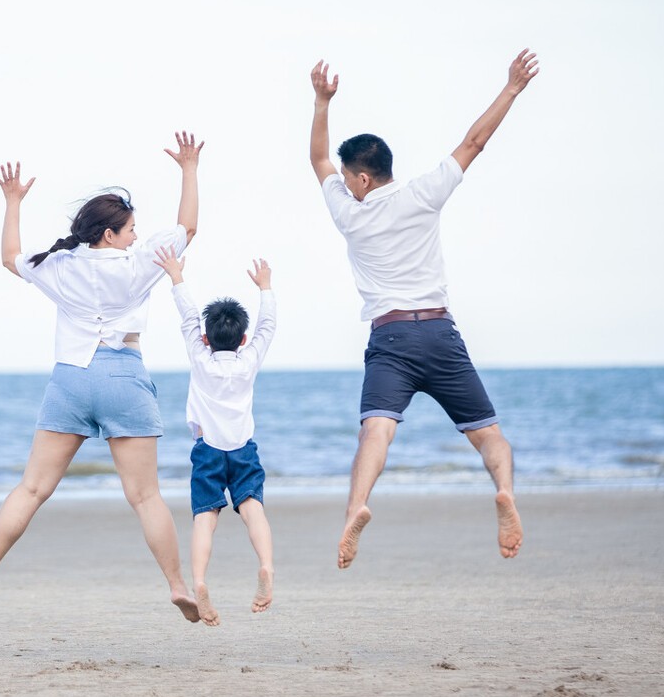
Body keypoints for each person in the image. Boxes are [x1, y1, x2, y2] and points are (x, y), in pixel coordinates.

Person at [0, 132, 205, 623]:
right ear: (110, 234)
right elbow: (188, 227)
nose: (136, 235)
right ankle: (177, 585)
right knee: (145, 496)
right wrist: (189, 168)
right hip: (122, 378)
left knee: (31, 488)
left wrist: (12, 201)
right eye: (130, 228)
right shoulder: (138, 262)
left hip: (69, 380)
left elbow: (10, 257)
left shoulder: (60, 264)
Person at [308, 50, 538, 569]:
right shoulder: (423, 195)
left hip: (390, 341)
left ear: (362, 180)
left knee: (376, 431)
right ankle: (504, 492)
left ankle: (356, 507)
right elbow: (474, 142)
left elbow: (318, 159)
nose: (343, 183)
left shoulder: (350, 215)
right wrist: (511, 89)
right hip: (438, 332)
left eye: (348, 178)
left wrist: (321, 102)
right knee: (489, 435)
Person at [154, 245, 277, 626]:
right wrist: (265, 288)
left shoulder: (200, 357)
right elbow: (267, 327)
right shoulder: (248, 360)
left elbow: (190, 317)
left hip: (207, 450)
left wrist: (176, 275)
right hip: (243, 449)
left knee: (205, 518)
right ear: (242, 339)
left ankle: (201, 581)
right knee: (252, 507)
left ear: (206, 339)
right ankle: (266, 567)